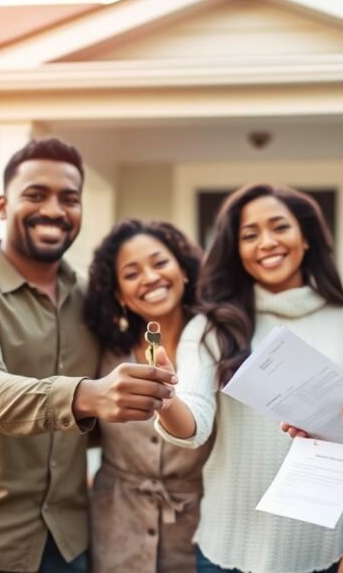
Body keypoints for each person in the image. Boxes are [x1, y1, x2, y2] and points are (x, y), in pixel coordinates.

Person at [0, 138, 177, 573]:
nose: (54, 209)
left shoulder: (91, 300)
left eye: (69, 199)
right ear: (2, 205)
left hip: (69, 547)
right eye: (35, 195)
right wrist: (86, 395)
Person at [154, 184, 343, 573]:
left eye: (279, 227)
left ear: (306, 237)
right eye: (250, 235)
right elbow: (194, 422)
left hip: (327, 548)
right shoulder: (213, 326)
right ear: (236, 250)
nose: (266, 242)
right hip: (228, 547)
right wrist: (165, 399)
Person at [82, 219, 213, 572]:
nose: (150, 277)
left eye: (159, 263)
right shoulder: (106, 355)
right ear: (119, 294)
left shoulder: (215, 344)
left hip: (196, 532)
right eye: (132, 272)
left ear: (183, 270)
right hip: (115, 531)